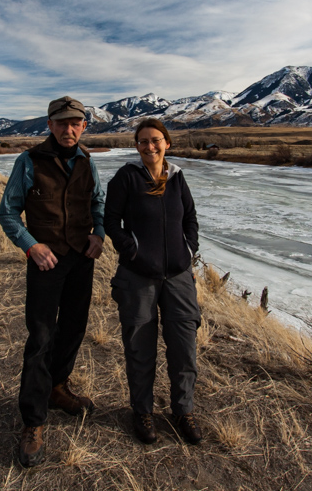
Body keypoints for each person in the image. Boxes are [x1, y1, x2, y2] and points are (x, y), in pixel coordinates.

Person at [0, 95, 106, 467]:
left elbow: (98, 205)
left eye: (75, 123)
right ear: (49, 125)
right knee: (41, 337)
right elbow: (7, 212)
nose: (69, 129)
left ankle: (58, 388)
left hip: (80, 259)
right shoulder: (29, 161)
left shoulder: (89, 162)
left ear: (84, 126)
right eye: (61, 123)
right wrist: (31, 246)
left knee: (74, 329)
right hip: (45, 262)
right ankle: (33, 420)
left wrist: (99, 233)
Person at [104, 118, 203, 445]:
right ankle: (142, 411)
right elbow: (110, 221)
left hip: (178, 276)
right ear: (137, 146)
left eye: (156, 140)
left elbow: (190, 217)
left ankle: (183, 410)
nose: (150, 146)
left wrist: (188, 249)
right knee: (139, 348)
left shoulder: (177, 178)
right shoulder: (127, 177)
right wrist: (131, 250)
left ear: (167, 143)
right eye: (143, 141)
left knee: (184, 347)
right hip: (138, 277)